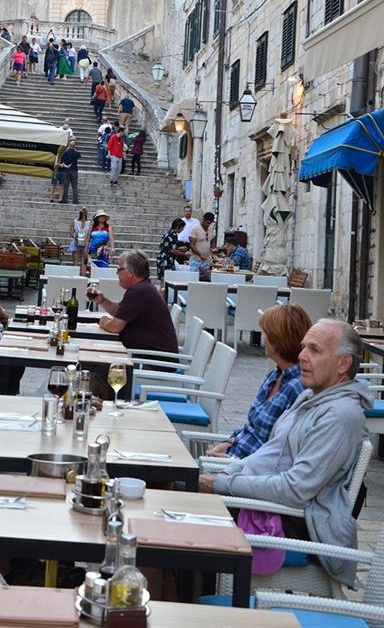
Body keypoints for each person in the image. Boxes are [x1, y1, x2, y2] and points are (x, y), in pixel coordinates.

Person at [199, 321, 372, 586]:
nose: (302, 355)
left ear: (343, 364)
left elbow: (296, 490)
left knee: (186, 526)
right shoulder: (310, 397)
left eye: (314, 350)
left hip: (299, 523)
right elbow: (269, 454)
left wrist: (221, 483)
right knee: (173, 500)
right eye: (304, 347)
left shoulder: (339, 415)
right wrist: (228, 471)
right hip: (277, 506)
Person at [206, 304, 311, 459]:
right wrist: (228, 443)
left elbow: (281, 453)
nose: (263, 337)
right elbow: (253, 427)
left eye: (266, 333)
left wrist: (234, 463)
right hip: (231, 457)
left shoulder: (298, 388)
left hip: (245, 472)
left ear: (279, 339)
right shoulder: (274, 376)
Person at [90, 250, 178, 354]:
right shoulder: (143, 288)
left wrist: (104, 322)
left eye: (119, 269)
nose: (117, 273)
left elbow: (114, 327)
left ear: (131, 272)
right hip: (149, 357)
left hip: (154, 363)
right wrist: (102, 301)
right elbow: (122, 312)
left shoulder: (139, 291)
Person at [156, 218, 190, 284]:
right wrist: (184, 254)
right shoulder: (173, 235)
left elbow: (169, 247)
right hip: (166, 259)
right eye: (182, 228)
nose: (182, 230)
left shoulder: (169, 233)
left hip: (162, 258)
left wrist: (180, 248)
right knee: (165, 283)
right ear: (178, 227)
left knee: (163, 282)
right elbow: (172, 251)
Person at [58, 139, 81, 204]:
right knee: (74, 186)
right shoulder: (76, 153)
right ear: (74, 146)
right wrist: (74, 149)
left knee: (66, 186)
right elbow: (79, 155)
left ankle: (65, 199)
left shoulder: (65, 152)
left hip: (66, 170)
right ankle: (75, 200)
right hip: (74, 170)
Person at [69, 206, 90, 274]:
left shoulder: (74, 222)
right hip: (85, 244)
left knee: (75, 261)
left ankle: (75, 277)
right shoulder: (89, 223)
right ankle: (83, 277)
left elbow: (71, 234)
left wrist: (76, 236)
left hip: (76, 243)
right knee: (83, 262)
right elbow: (89, 235)